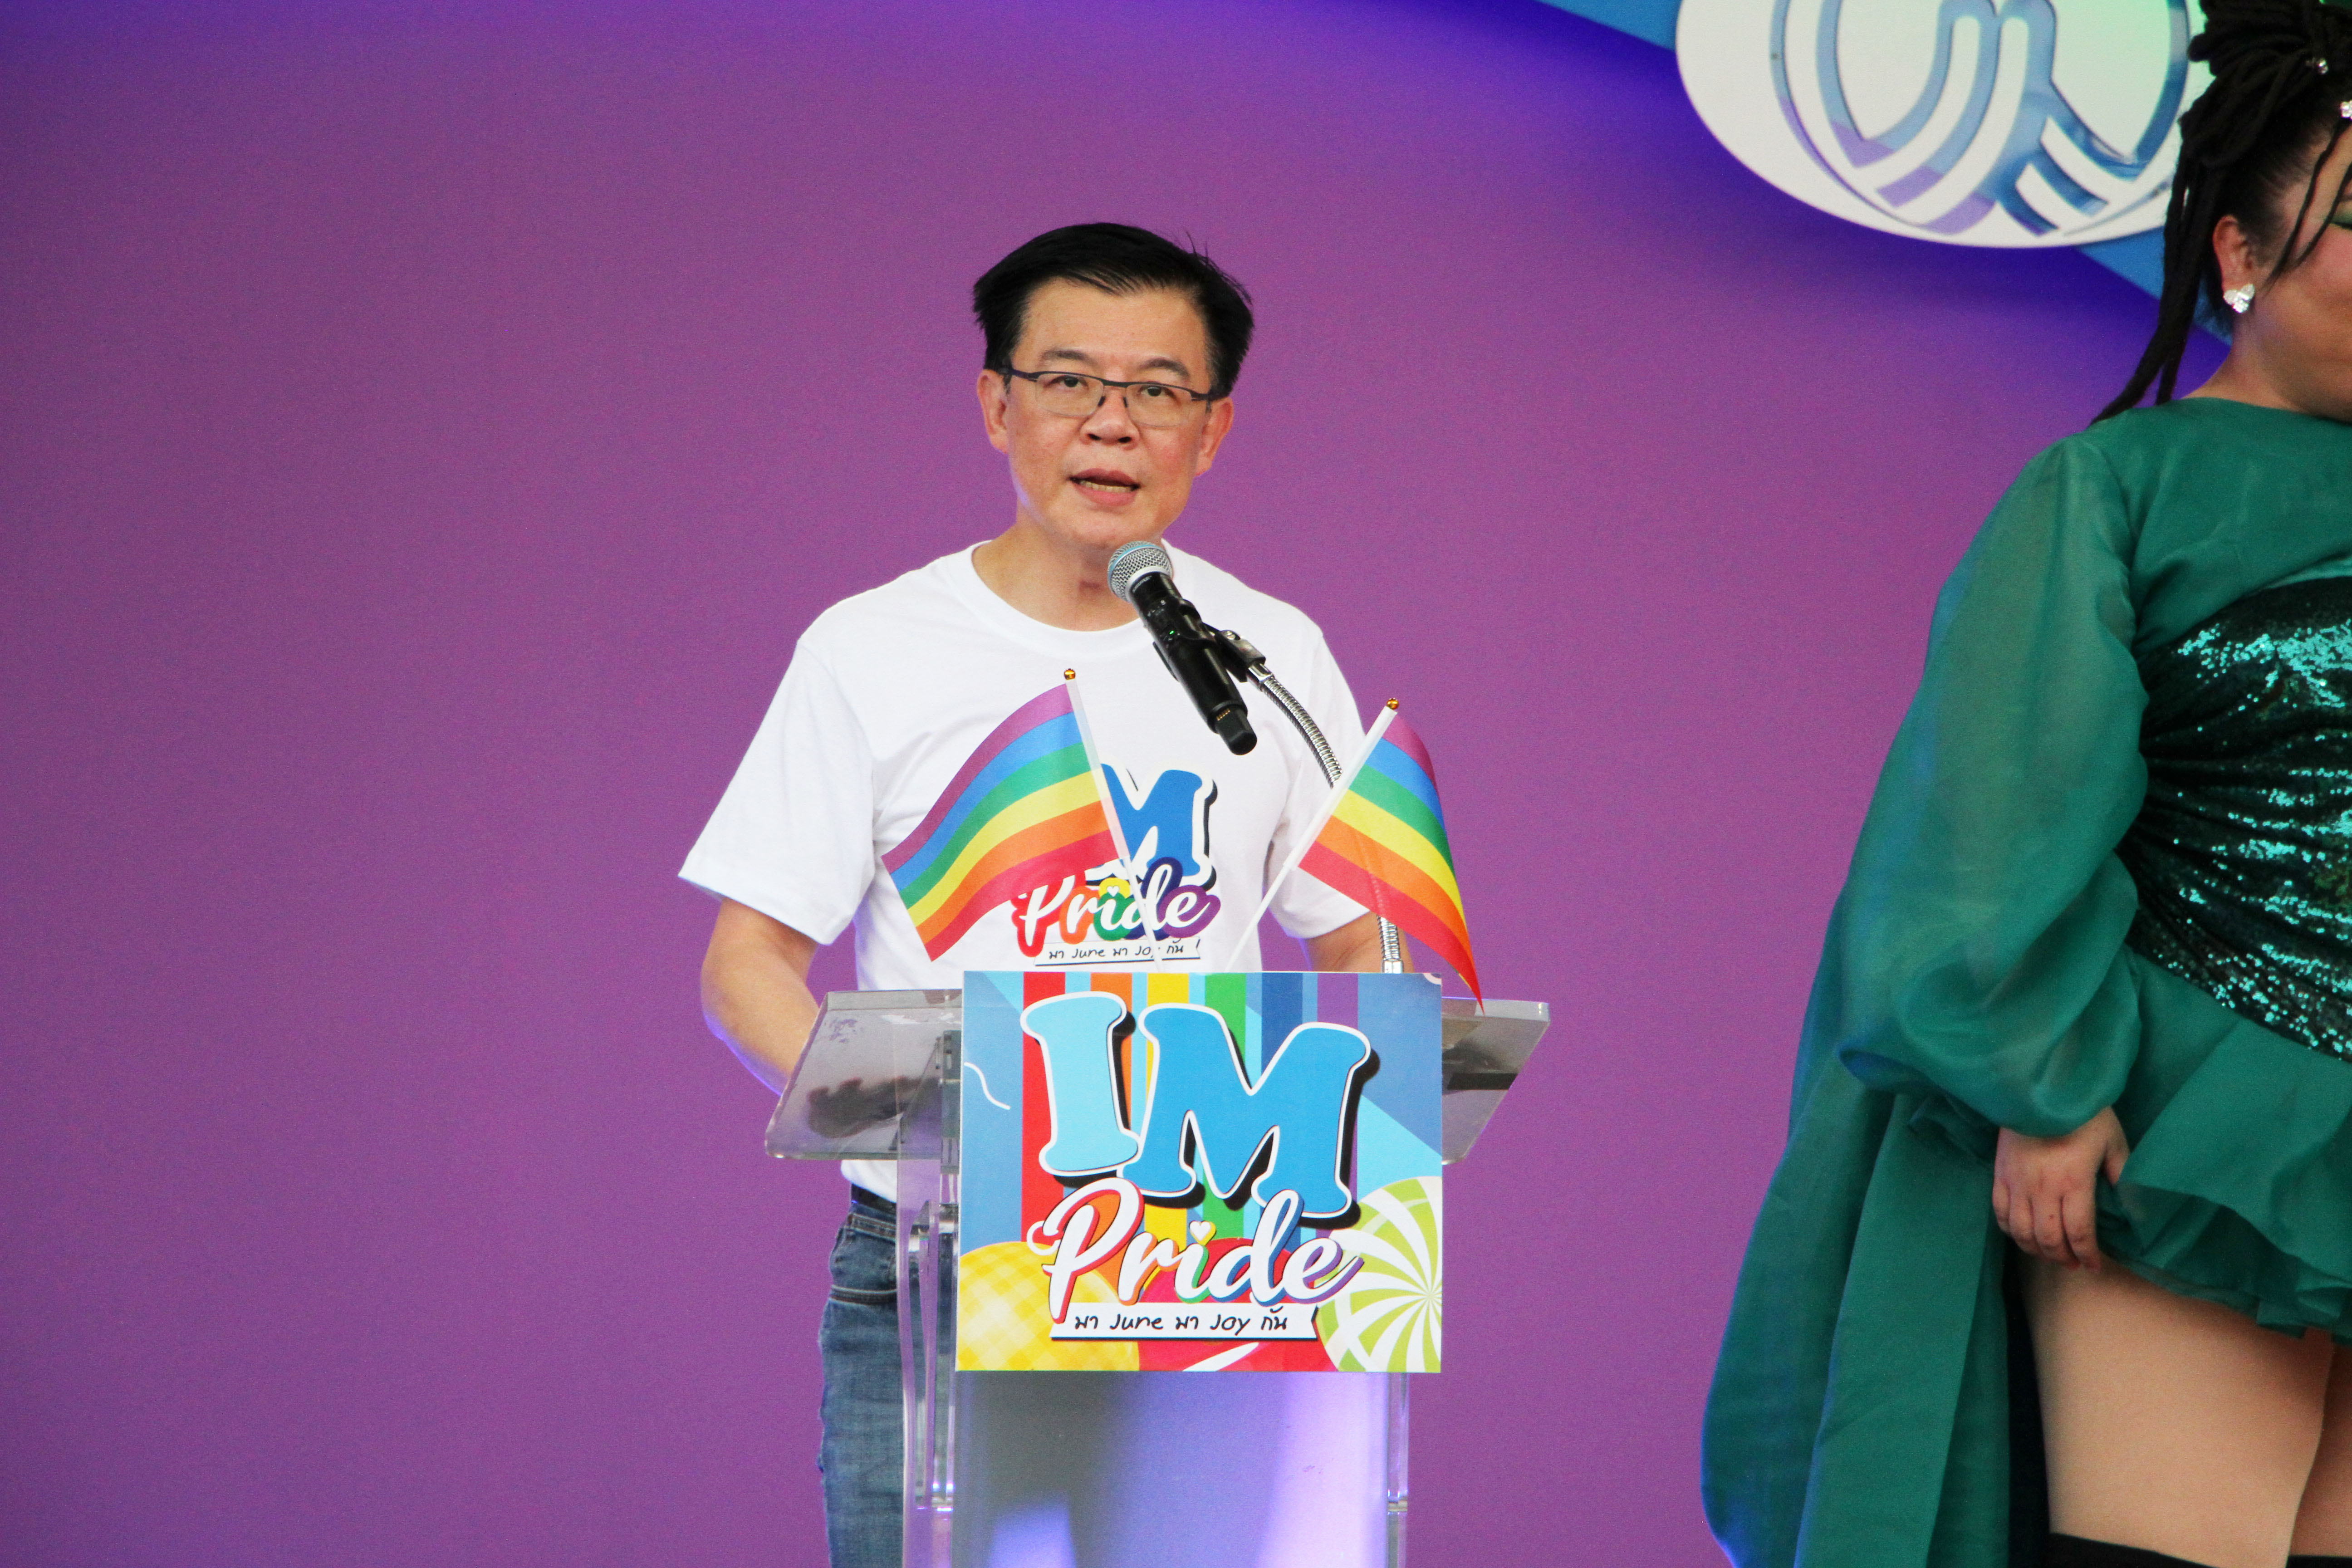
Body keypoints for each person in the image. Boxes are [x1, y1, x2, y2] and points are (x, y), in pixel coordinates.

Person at [1701, 4, 2352, 1566]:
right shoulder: (2114, 484)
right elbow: (1998, 805)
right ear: (2240, 253)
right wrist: (2044, 1086)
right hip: (2195, 1116)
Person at [680, 223, 1381, 1568]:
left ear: (1213, 430)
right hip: (942, 1254)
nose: (1112, 423)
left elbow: (1364, 938)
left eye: (1158, 391)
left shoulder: (1269, 654)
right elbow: (745, 965)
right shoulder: (874, 648)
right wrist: (931, 1141)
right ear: (998, 405)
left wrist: (1349, 1098)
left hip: (1200, 1252)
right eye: (1069, 382)